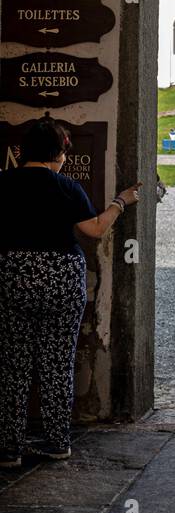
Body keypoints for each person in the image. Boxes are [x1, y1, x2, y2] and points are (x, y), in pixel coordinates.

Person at [0, 115, 141, 466]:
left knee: (13, 365)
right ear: (58, 154)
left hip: (15, 276)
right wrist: (120, 202)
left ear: (22, 151)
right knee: (56, 364)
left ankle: (8, 449)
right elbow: (94, 229)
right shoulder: (66, 186)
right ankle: (57, 441)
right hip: (61, 279)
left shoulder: (3, 183)